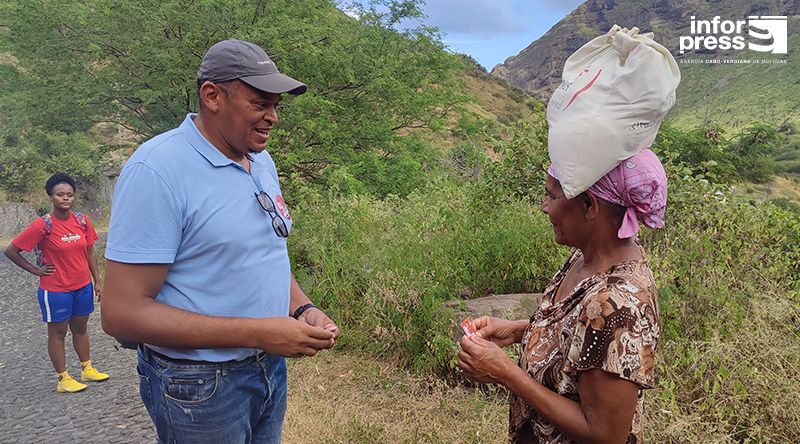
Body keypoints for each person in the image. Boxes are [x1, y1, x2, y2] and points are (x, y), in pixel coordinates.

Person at [101, 39, 339, 443]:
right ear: (212, 95)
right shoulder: (157, 170)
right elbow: (121, 314)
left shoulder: (260, 161)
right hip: (198, 386)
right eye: (260, 103)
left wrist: (301, 309)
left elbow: (264, 253)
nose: (273, 117)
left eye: (277, 105)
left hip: (267, 369)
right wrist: (258, 332)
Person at [457, 149, 665, 443]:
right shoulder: (586, 259)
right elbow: (580, 337)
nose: (545, 207)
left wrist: (505, 373)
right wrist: (520, 330)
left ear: (589, 205)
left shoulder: (618, 304)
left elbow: (606, 435)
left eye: (552, 196)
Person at [4, 173, 109, 393]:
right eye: (60, 194)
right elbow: (11, 250)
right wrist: (36, 270)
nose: (66, 199)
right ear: (50, 197)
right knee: (58, 333)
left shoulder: (82, 221)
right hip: (56, 290)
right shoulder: (43, 225)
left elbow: (89, 251)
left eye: (70, 195)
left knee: (81, 329)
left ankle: (87, 368)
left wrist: (97, 280)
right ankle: (63, 379)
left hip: (82, 286)